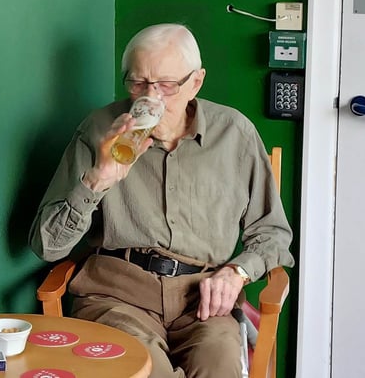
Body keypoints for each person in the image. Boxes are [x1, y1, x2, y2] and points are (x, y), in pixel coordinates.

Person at [29, 23, 295, 378]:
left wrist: (237, 272)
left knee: (219, 367)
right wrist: (99, 178)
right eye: (138, 84)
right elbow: (47, 246)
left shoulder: (235, 134)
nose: (150, 98)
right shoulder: (99, 129)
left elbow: (273, 233)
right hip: (118, 297)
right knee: (144, 372)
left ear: (196, 82)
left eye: (167, 86)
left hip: (203, 300)